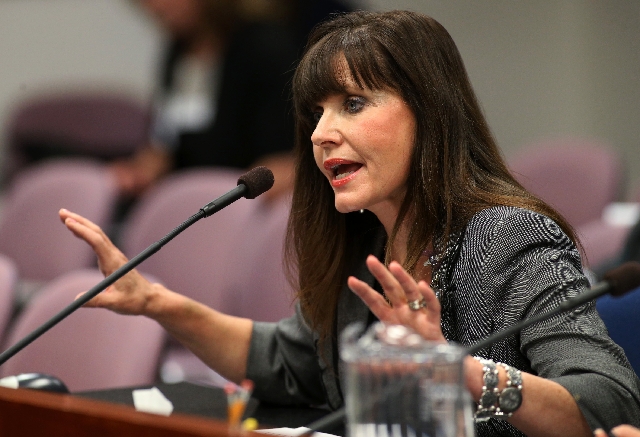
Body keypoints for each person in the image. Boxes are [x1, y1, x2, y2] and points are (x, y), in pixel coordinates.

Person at [59, 10, 640, 437]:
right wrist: (158, 303)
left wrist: (459, 370)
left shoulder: (506, 236)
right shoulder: (366, 241)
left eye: (352, 104)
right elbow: (286, 362)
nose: (320, 133)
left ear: (429, 112)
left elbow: (606, 404)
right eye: (316, 113)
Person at [110, 0, 300, 203]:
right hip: (191, 199)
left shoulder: (265, 48)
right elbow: (170, 137)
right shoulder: (177, 52)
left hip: (244, 203)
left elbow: (283, 163)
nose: (154, 6)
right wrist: (144, 170)